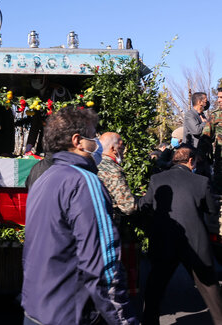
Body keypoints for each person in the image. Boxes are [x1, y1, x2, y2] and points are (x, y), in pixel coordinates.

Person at [22, 107, 136, 325]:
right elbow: (103, 264)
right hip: (70, 313)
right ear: (78, 141)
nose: (97, 142)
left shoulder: (45, 179)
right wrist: (124, 320)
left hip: (35, 310)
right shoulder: (85, 182)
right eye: (93, 136)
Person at [140, 145, 222, 325]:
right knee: (209, 287)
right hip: (195, 243)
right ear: (191, 161)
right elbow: (211, 211)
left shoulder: (156, 179)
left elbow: (145, 205)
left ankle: (149, 321)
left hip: (164, 241)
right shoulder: (201, 182)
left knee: (155, 287)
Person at [97, 132, 137, 220]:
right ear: (113, 149)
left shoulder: (93, 164)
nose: (124, 151)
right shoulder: (114, 170)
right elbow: (128, 207)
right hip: (109, 222)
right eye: (122, 147)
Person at [203, 87, 222, 191]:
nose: (219, 100)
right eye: (218, 97)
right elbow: (205, 137)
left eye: (221, 97)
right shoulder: (216, 115)